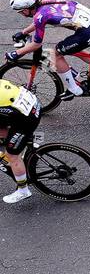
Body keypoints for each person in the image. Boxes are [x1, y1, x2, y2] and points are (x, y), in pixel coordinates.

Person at [7, 0, 90, 99]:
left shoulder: (39, 16)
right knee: (71, 47)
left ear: (26, 9)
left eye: (20, 12)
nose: (21, 14)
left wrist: (16, 53)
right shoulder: (45, 0)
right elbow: (40, 21)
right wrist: (24, 32)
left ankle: (74, 89)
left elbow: (36, 44)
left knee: (56, 54)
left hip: (89, 32)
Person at [0, 77, 40, 205]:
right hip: (32, 105)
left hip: (26, 118)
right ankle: (22, 143)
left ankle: (23, 190)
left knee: (11, 155)